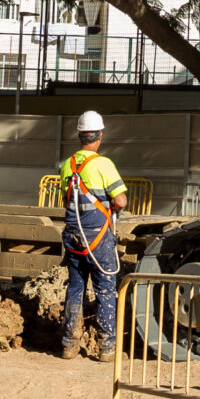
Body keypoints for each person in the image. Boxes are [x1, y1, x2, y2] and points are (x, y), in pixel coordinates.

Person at [59, 109, 129, 357]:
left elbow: (66, 200)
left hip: (73, 236)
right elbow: (120, 200)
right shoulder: (103, 164)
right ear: (99, 136)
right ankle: (107, 347)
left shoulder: (67, 165)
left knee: (75, 287)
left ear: (80, 136)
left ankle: (69, 344)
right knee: (105, 289)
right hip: (97, 238)